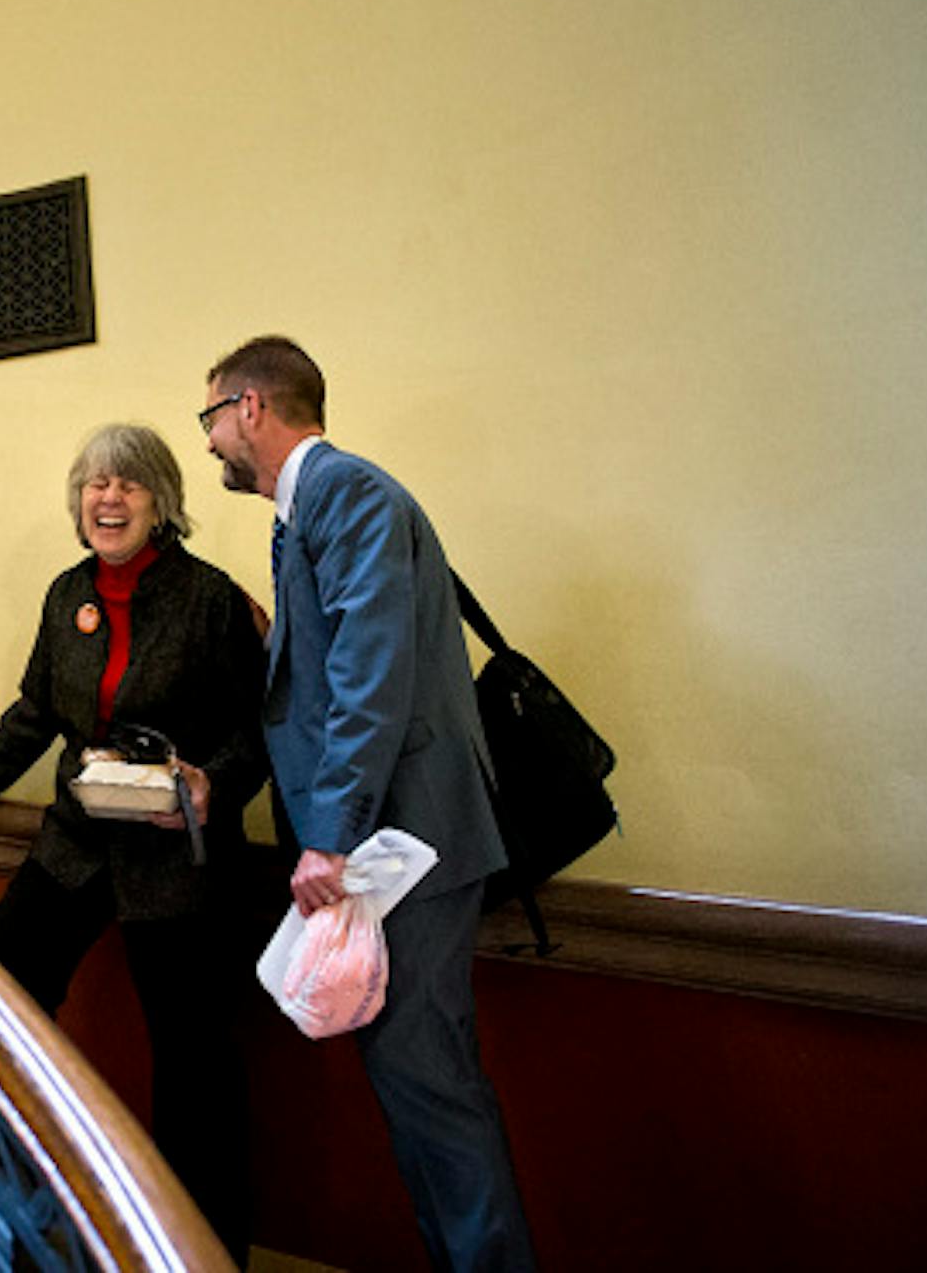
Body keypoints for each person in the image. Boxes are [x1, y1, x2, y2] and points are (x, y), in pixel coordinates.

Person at [201, 336, 537, 1272]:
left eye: (212, 417)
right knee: (418, 1093)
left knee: (434, 1093)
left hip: (400, 850)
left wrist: (328, 836)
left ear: (252, 406)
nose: (211, 440)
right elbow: (341, 662)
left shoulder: (346, 493)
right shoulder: (319, 507)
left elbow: (370, 677)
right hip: (391, 850)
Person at [0, 422, 265, 1263]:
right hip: (78, 841)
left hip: (177, 856)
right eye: (95, 483)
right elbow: (36, 714)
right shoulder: (67, 591)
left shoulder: (211, 600)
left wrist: (210, 786)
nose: (109, 497)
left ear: (160, 502)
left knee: (193, 1056)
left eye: (128, 483)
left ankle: (200, 1245)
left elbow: (260, 731)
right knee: (1, 996)